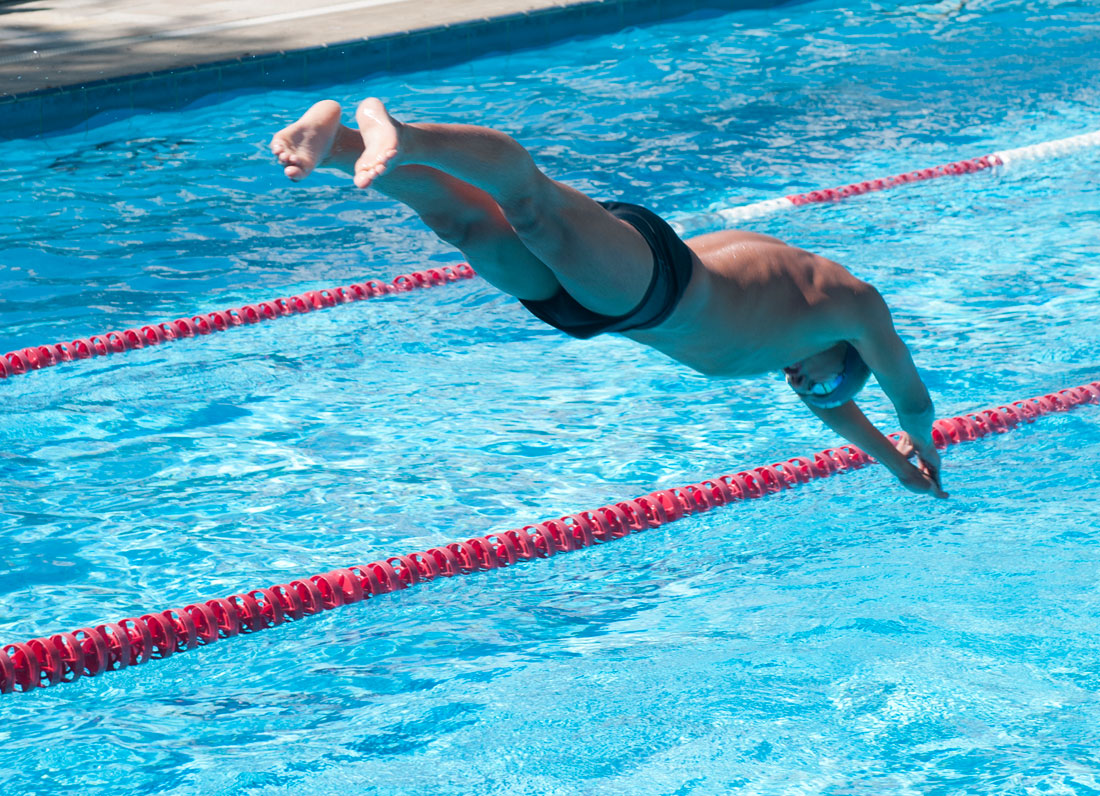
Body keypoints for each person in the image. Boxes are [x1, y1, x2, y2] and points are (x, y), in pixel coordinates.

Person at [271, 98, 947, 498]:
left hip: (601, 310)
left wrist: (899, 469)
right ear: (845, 356)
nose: (807, 389)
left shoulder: (798, 352)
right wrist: (926, 444)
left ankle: (337, 146)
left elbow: (841, 415)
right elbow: (908, 395)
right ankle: (402, 134)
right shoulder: (845, 301)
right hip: (656, 282)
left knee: (466, 225)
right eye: (827, 386)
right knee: (529, 206)